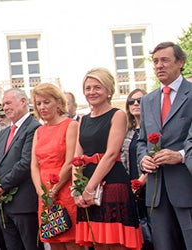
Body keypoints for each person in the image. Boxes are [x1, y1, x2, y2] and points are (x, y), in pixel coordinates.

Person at [73, 67, 143, 249]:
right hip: (87, 183)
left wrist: (89, 188)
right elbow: (76, 157)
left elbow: (112, 154)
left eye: (97, 87)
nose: (91, 92)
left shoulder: (117, 115)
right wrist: (77, 189)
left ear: (109, 90)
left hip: (112, 182)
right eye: (88, 88)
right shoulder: (82, 119)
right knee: (97, 242)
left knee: (115, 242)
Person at [139, 42, 192, 249]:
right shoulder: (148, 100)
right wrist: (143, 158)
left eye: (165, 60)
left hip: (185, 185)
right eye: (155, 61)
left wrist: (179, 155)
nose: (159, 65)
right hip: (157, 192)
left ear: (180, 62)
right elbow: (142, 141)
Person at [0, 88, 41, 250]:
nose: (5, 108)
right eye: (4, 104)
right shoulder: (4, 133)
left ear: (23, 102)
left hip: (24, 202)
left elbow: (25, 163)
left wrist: (2, 186)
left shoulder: (33, 128)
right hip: (4, 205)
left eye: (8, 103)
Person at [29, 83, 80, 249]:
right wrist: (40, 191)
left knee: (71, 241)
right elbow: (34, 165)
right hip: (44, 192)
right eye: (38, 103)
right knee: (53, 240)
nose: (42, 107)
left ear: (58, 102)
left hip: (64, 189)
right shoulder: (39, 131)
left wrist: (54, 190)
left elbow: (71, 161)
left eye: (46, 102)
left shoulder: (70, 125)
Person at [122, 88, 153, 249]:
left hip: (151, 184)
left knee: (153, 229)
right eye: (131, 101)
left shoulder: (153, 128)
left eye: (139, 101)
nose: (135, 104)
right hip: (131, 187)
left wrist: (141, 181)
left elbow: (155, 156)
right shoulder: (127, 132)